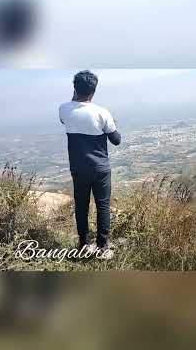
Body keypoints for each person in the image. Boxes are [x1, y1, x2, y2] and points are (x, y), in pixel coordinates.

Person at [59, 70, 121, 259]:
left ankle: (84, 244)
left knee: (81, 206)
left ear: (74, 88)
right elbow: (116, 140)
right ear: (93, 91)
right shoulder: (102, 113)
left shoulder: (64, 109)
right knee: (102, 206)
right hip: (100, 169)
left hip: (78, 168)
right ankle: (103, 246)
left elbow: (65, 119)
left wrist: (76, 96)